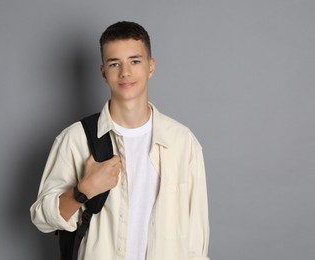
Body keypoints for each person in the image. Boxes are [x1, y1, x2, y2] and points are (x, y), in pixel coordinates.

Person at [30, 21, 210, 260]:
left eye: (135, 61)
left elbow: (196, 242)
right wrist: (84, 190)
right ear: (103, 72)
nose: (125, 72)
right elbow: (42, 218)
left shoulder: (182, 142)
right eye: (115, 64)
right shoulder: (76, 139)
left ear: (151, 67)